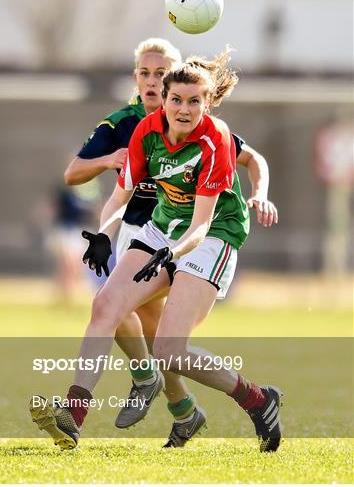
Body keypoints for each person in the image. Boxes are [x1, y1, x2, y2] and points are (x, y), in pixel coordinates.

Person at [30, 47, 282, 453]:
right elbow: (119, 195)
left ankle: (257, 399)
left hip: (214, 235)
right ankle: (72, 415)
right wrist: (103, 234)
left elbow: (201, 224)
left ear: (207, 103)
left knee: (168, 351)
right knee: (105, 305)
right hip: (163, 227)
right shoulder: (147, 130)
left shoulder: (214, 140)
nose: (183, 109)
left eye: (194, 101)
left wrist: (172, 255)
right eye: (176, 100)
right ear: (162, 100)